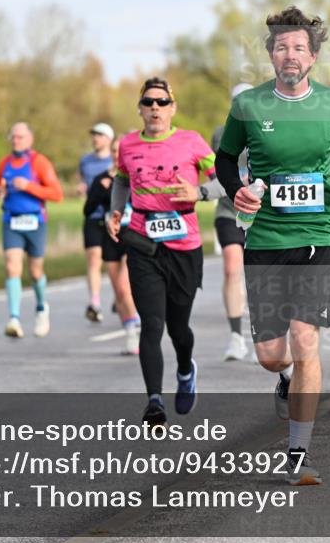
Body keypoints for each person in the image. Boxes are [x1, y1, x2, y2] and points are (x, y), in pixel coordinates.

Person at [215, 6, 330, 486]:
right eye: (282, 46)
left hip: (317, 235)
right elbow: (224, 160)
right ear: (271, 55)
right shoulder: (249, 106)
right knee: (272, 355)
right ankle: (283, 379)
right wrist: (235, 188)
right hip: (265, 237)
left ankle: (297, 452)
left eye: (299, 47)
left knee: (306, 339)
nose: (290, 54)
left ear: (314, 56)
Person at [107, 76, 226, 429]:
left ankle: (186, 368)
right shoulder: (128, 145)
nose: (154, 108)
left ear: (173, 108)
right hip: (143, 242)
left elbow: (224, 180)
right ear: (141, 109)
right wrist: (116, 211)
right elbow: (121, 179)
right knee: (152, 324)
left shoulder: (191, 142)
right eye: (148, 102)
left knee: (178, 329)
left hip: (184, 245)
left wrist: (200, 193)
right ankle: (154, 401)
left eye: (161, 102)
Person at [0, 123, 63, 338]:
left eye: (20, 137)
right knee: (12, 267)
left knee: (34, 272)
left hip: (35, 222)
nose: (16, 141)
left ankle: (41, 308)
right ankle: (14, 318)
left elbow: (57, 194)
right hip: (11, 221)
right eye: (13, 137)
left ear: (30, 139)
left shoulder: (38, 162)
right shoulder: (4, 163)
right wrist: (0, 190)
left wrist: (29, 186)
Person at [84, 134, 140, 355]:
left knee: (126, 286)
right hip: (112, 234)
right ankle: (131, 333)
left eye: (122, 150)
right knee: (118, 290)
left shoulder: (138, 175)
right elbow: (88, 210)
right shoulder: (101, 178)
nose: (118, 154)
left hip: (134, 232)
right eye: (115, 150)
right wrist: (101, 189)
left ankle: (139, 321)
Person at [211, 83, 254, 362]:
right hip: (229, 210)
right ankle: (236, 337)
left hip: (261, 213)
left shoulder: (269, 129)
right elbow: (214, 170)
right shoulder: (220, 134)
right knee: (231, 269)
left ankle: (263, 334)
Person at [79, 122, 115, 322]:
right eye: (94, 135)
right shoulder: (85, 161)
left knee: (115, 263)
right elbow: (84, 180)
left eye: (100, 135)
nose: (95, 139)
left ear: (109, 139)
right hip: (92, 215)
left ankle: (120, 296)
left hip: (114, 216)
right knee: (94, 258)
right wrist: (82, 187)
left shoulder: (117, 159)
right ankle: (95, 303)